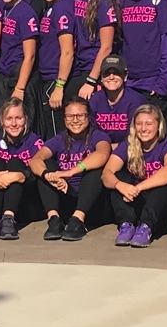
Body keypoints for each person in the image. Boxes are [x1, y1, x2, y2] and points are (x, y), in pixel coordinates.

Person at [31, 98, 110, 240]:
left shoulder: (98, 136)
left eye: (80, 115)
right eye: (70, 116)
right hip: (66, 194)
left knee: (96, 170)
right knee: (45, 165)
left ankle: (78, 221)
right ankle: (54, 219)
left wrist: (70, 172)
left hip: (90, 200)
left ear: (88, 117)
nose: (75, 120)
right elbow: (35, 160)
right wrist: (49, 175)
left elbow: (102, 154)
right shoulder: (59, 139)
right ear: (64, 118)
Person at [102, 99, 167, 246]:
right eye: (139, 124)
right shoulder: (127, 145)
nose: (143, 128)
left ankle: (146, 227)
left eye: (149, 124)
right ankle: (126, 225)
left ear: (159, 125)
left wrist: (138, 187)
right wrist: (120, 185)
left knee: (162, 183)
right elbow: (106, 173)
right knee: (117, 177)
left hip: (158, 206)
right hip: (134, 201)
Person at [0, 98, 47, 239]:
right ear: (2, 121)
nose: (14, 123)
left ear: (25, 119)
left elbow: (41, 171)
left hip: (25, 201)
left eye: (18, 118)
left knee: (15, 162)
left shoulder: (35, 141)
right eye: (9, 119)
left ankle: (9, 219)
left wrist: (21, 175)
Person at [28, 0, 79, 133]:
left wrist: (59, 85)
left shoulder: (61, 9)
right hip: (48, 76)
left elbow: (67, 51)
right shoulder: (49, 8)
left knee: (56, 133)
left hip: (55, 79)